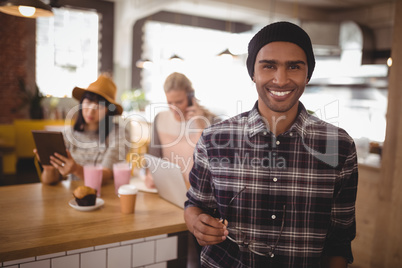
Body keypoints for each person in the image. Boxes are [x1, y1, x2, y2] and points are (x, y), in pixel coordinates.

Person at [184, 21, 358, 268]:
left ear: (308, 74)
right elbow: (195, 205)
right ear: (253, 72)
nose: (281, 79)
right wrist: (196, 223)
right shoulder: (214, 140)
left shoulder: (339, 147)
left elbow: (340, 238)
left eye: (294, 66)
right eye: (269, 66)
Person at [34, 74, 128, 185]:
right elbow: (49, 182)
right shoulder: (67, 134)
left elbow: (106, 174)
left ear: (108, 111)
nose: (91, 111)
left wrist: (76, 170)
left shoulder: (119, 133)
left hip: (106, 195)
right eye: (88, 102)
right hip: (73, 198)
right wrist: (49, 169)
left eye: (99, 106)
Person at [146, 72, 217, 189]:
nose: (174, 108)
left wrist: (200, 125)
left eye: (179, 102)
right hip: (169, 188)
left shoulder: (210, 120)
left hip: (199, 190)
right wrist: (150, 174)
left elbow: (214, 161)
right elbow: (154, 157)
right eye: (169, 103)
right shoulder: (160, 118)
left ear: (190, 97)